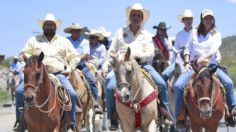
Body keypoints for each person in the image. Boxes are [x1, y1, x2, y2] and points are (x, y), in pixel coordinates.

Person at [102, 3, 173, 130]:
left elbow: (151, 53)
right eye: (133, 15)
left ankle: (164, 113)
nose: (136, 17)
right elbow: (111, 52)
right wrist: (105, 65)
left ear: (142, 18)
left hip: (142, 65)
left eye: (138, 15)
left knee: (161, 83)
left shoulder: (146, 34)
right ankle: (112, 117)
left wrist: (138, 56)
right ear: (129, 17)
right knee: (109, 85)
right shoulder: (120, 32)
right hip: (122, 66)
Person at [14, 13, 80, 131]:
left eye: (51, 25)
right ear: (43, 27)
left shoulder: (63, 41)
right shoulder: (34, 40)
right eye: (47, 24)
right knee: (19, 92)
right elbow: (23, 53)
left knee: (72, 94)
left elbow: (75, 57)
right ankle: (21, 121)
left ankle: (71, 122)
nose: (49, 27)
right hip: (36, 75)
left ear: (55, 27)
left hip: (57, 74)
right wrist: (32, 60)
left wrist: (69, 69)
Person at [174, 9, 236, 125]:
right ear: (202, 20)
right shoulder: (193, 32)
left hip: (211, 65)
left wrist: (204, 58)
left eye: (210, 18)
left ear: (213, 20)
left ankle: (231, 113)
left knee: (228, 83)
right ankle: (179, 116)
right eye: (205, 18)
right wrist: (187, 62)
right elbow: (187, 48)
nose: (208, 20)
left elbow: (214, 50)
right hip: (194, 65)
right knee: (178, 86)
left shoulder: (217, 34)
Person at [64, 24, 103, 113]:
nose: (76, 32)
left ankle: (95, 102)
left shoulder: (84, 41)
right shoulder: (66, 41)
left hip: (80, 65)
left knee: (91, 81)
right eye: (74, 30)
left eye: (78, 30)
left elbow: (85, 54)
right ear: (71, 31)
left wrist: (76, 61)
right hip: (67, 65)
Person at [162, 9, 194, 82]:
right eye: (187, 19)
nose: (189, 21)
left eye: (190, 19)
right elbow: (175, 51)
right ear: (183, 21)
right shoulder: (179, 35)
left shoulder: (197, 32)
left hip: (192, 61)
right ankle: (164, 93)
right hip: (179, 61)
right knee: (164, 74)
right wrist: (171, 63)